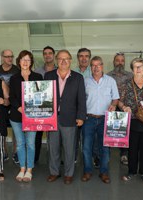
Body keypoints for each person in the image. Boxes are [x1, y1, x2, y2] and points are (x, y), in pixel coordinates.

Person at [45, 49, 86, 185]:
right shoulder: (48, 75)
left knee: (69, 149)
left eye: (66, 59)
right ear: (57, 60)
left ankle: (69, 174)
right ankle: (54, 172)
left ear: (70, 61)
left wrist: (81, 116)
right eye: (61, 59)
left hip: (70, 118)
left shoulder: (78, 77)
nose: (63, 61)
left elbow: (81, 99)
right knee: (53, 147)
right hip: (52, 118)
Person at [81, 56, 119, 184]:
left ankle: (104, 172)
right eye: (93, 65)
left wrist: (114, 104)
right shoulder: (85, 81)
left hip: (105, 119)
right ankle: (87, 171)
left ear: (102, 66)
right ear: (90, 67)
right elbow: (81, 100)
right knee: (86, 147)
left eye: (98, 65)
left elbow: (115, 98)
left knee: (105, 148)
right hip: (88, 119)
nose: (96, 67)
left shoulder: (111, 81)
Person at [9, 50, 43, 182]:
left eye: (28, 60)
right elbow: (12, 96)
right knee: (20, 144)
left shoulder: (38, 77)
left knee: (30, 143)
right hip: (17, 116)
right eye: (23, 59)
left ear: (31, 62)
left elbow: (42, 95)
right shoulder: (14, 78)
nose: (25, 62)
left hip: (33, 116)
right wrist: (19, 108)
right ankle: (22, 168)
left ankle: (29, 170)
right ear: (19, 62)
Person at [107, 52, 133, 166]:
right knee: (108, 131)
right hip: (111, 107)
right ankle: (105, 155)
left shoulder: (130, 75)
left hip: (124, 107)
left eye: (122, 60)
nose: (120, 63)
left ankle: (124, 154)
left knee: (124, 131)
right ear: (114, 62)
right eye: (117, 60)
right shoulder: (107, 76)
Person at [0, 49, 19, 163]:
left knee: (16, 130)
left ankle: (16, 153)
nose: (10, 58)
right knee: (2, 129)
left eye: (11, 56)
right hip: (0, 104)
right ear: (2, 57)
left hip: (14, 104)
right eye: (7, 56)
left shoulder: (17, 70)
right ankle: (3, 152)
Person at [34, 46, 57, 164]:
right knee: (38, 134)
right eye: (45, 54)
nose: (47, 55)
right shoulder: (37, 72)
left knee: (54, 136)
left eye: (50, 53)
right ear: (43, 56)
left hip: (54, 108)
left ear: (53, 55)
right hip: (39, 108)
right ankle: (35, 158)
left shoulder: (60, 71)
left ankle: (54, 159)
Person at [72, 48, 94, 165]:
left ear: (89, 58)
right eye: (81, 56)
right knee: (74, 137)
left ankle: (90, 159)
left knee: (89, 138)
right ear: (78, 58)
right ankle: (73, 157)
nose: (84, 58)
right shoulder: (72, 72)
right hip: (75, 110)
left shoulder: (94, 72)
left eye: (86, 56)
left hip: (90, 110)